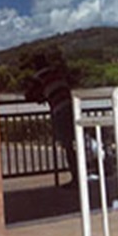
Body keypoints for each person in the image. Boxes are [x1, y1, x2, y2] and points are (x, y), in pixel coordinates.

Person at [25, 51, 77, 188]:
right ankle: (80, 175)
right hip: (72, 108)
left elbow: (29, 95)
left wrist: (41, 97)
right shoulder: (56, 72)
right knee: (75, 143)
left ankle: (76, 178)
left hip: (60, 110)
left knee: (68, 146)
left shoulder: (39, 77)